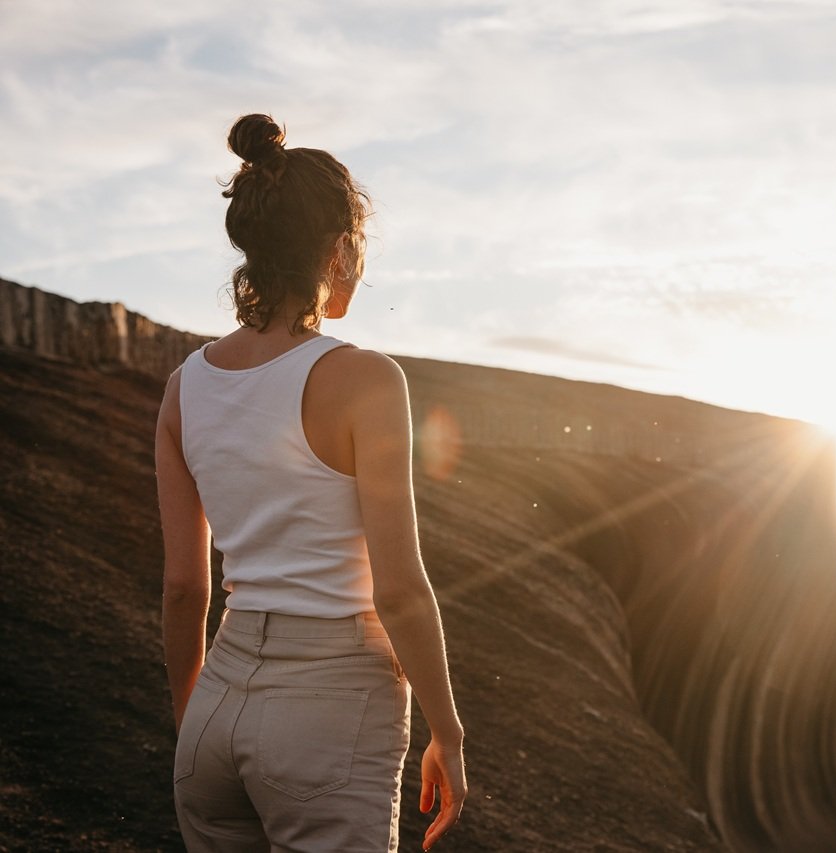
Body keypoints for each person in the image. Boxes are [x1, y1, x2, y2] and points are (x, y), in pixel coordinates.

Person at [155, 113, 466, 852]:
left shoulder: (183, 388)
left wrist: (194, 721)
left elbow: (185, 588)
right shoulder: (366, 379)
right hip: (331, 708)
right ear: (339, 249)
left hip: (215, 706)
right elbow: (398, 590)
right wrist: (447, 734)